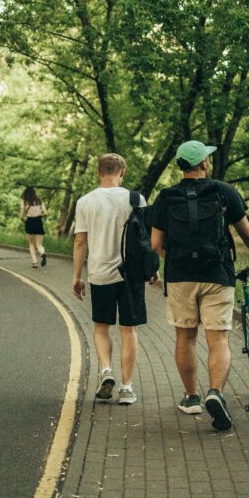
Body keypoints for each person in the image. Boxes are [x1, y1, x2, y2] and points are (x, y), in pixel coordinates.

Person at [150, 141, 249, 431]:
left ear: (181, 166)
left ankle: (192, 397)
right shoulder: (224, 191)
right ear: (204, 164)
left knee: (185, 337)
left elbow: (156, 244)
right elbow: (247, 233)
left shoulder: (166, 197)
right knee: (218, 339)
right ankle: (215, 392)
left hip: (180, 276)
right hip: (217, 274)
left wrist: (177, 260)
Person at [72, 153, 155, 406]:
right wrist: (153, 267)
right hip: (130, 274)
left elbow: (80, 242)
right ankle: (127, 388)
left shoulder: (85, 201)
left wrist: (77, 276)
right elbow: (146, 237)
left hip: (99, 274)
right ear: (123, 172)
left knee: (101, 326)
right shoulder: (135, 199)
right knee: (129, 330)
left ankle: (106, 370)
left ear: (98, 172)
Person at [19, 187, 48, 268]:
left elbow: (21, 216)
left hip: (29, 222)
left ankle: (34, 262)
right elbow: (45, 213)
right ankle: (42, 253)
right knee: (39, 244)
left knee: (31, 244)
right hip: (39, 221)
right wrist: (41, 216)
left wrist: (23, 220)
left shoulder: (24, 202)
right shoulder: (39, 201)